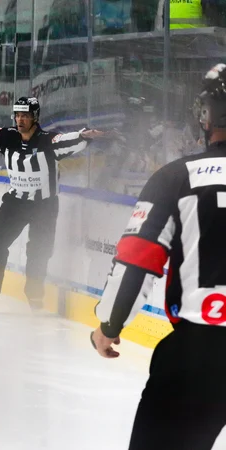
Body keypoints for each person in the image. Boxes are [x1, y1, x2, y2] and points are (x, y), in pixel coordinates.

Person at [92, 62, 226, 450]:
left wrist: (110, 326)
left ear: (206, 114)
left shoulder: (176, 177)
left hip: (198, 357)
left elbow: (137, 259)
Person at [0, 97, 104, 312]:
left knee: (39, 250)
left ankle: (34, 293)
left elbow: (65, 140)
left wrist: (83, 136)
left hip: (45, 206)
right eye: (18, 115)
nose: (20, 120)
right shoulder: (7, 137)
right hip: (16, 202)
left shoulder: (47, 141)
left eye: (25, 116)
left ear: (35, 117)